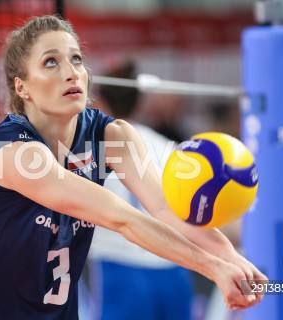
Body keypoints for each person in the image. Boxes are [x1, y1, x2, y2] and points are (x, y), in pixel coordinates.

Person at [0, 15, 267, 319]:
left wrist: (234, 260)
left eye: (76, 59)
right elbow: (124, 219)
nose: (71, 72)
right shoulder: (15, 153)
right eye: (51, 62)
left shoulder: (113, 135)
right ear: (22, 87)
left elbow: (166, 207)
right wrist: (213, 268)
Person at [86, 60, 194, 320]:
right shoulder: (168, 147)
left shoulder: (89, 148)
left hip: (121, 270)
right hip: (173, 267)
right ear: (140, 102)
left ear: (99, 102)